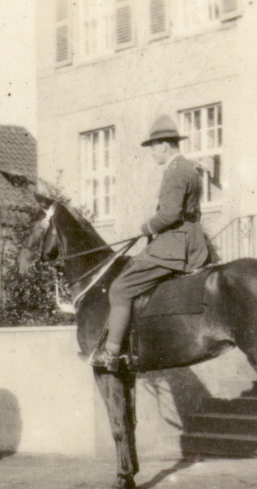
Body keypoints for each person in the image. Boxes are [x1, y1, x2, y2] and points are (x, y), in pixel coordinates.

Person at [89, 115, 210, 371]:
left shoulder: (175, 172)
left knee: (120, 288)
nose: (153, 154)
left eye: (153, 148)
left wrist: (146, 227)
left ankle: (110, 354)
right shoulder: (190, 169)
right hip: (191, 240)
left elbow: (170, 215)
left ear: (165, 146)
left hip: (174, 245)